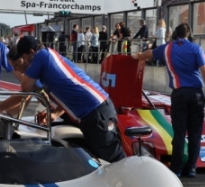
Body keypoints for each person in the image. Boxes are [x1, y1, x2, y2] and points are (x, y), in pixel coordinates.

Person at [14, 36, 126, 163]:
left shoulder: (41, 56)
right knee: (100, 158)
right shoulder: (50, 57)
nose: (26, 63)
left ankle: (131, 181)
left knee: (114, 160)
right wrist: (55, 113)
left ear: (31, 52)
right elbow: (67, 94)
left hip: (96, 112)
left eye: (25, 59)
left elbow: (26, 86)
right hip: (96, 110)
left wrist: (18, 70)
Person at [132, 23, 205, 178]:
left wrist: (136, 56)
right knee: (195, 133)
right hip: (196, 94)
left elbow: (148, 54)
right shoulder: (196, 48)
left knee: (179, 133)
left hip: (179, 94)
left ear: (175, 34)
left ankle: (177, 168)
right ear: (189, 34)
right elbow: (204, 70)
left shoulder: (167, 48)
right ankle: (191, 168)